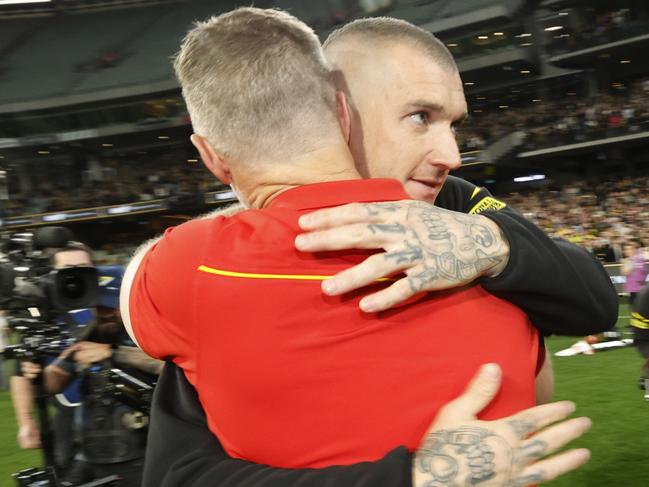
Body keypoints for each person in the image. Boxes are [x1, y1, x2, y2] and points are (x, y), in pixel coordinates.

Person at [124, 8, 593, 486]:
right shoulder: (488, 267)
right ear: (344, 114)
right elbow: (548, 363)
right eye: (419, 117)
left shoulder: (193, 272)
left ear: (210, 157)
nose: (451, 156)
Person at [21, 263, 163, 486]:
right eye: (99, 307)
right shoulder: (89, 333)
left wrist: (113, 352)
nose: (105, 313)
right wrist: (36, 370)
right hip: (90, 453)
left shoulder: (148, 330)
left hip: (142, 453)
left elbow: (167, 366)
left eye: (110, 306)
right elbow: (53, 383)